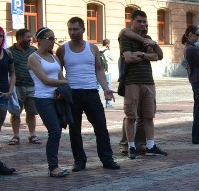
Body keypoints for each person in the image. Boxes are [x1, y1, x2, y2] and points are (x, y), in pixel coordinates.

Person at [56, 17, 120, 171]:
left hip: (91, 92)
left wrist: (105, 88)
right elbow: (58, 72)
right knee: (74, 130)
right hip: (73, 94)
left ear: (83, 30)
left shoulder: (92, 48)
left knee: (101, 128)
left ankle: (107, 159)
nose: (73, 32)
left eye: (76, 29)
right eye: (70, 29)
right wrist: (62, 88)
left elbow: (99, 69)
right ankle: (79, 160)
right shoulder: (63, 49)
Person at [120, 10, 166, 159]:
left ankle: (151, 145)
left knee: (149, 115)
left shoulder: (148, 38)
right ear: (131, 22)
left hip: (148, 81)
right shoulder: (126, 36)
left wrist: (148, 50)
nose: (143, 24)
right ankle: (130, 146)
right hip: (132, 81)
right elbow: (128, 58)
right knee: (131, 115)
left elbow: (158, 56)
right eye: (139, 21)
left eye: (145, 22)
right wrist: (147, 56)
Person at [27, 28, 71, 177]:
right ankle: (53, 167)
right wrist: (65, 83)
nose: (53, 42)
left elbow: (60, 77)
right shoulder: (34, 58)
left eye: (54, 38)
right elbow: (45, 80)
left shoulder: (54, 58)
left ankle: (54, 165)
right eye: (50, 38)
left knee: (58, 130)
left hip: (56, 98)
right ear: (40, 40)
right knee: (54, 131)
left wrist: (61, 88)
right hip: (43, 98)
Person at [8, 28, 40, 145]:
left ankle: (32, 134)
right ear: (20, 38)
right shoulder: (9, 52)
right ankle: (16, 135)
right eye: (27, 37)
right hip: (16, 87)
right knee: (15, 112)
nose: (30, 39)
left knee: (32, 112)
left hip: (32, 85)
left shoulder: (33, 51)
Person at [0, 26, 16, 138]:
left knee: (0, 120)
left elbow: (13, 73)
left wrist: (10, 91)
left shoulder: (7, 53)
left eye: (0, 36)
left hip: (3, 93)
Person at [100, 39, 114, 107]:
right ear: (108, 44)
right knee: (108, 87)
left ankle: (97, 103)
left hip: (99, 72)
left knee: (98, 87)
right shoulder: (108, 51)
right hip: (107, 72)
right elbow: (112, 58)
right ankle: (108, 104)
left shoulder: (98, 50)